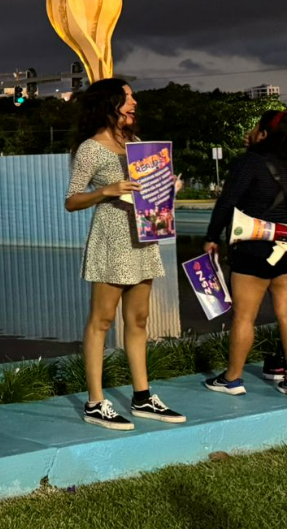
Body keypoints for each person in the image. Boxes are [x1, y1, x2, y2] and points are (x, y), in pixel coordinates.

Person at [65, 78, 185, 431]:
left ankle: (143, 395)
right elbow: (71, 200)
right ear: (109, 104)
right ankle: (95, 402)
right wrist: (106, 190)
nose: (134, 104)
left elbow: (146, 193)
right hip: (111, 239)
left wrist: (166, 189)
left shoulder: (136, 145)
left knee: (139, 320)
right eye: (128, 98)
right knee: (101, 320)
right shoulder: (90, 149)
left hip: (143, 236)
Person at [204, 108, 287, 396]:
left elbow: (227, 202)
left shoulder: (250, 162)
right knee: (286, 314)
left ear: (264, 134)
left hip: (252, 249)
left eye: (255, 128)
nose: (248, 133)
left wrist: (212, 237)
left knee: (244, 317)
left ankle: (232, 379)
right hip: (286, 248)